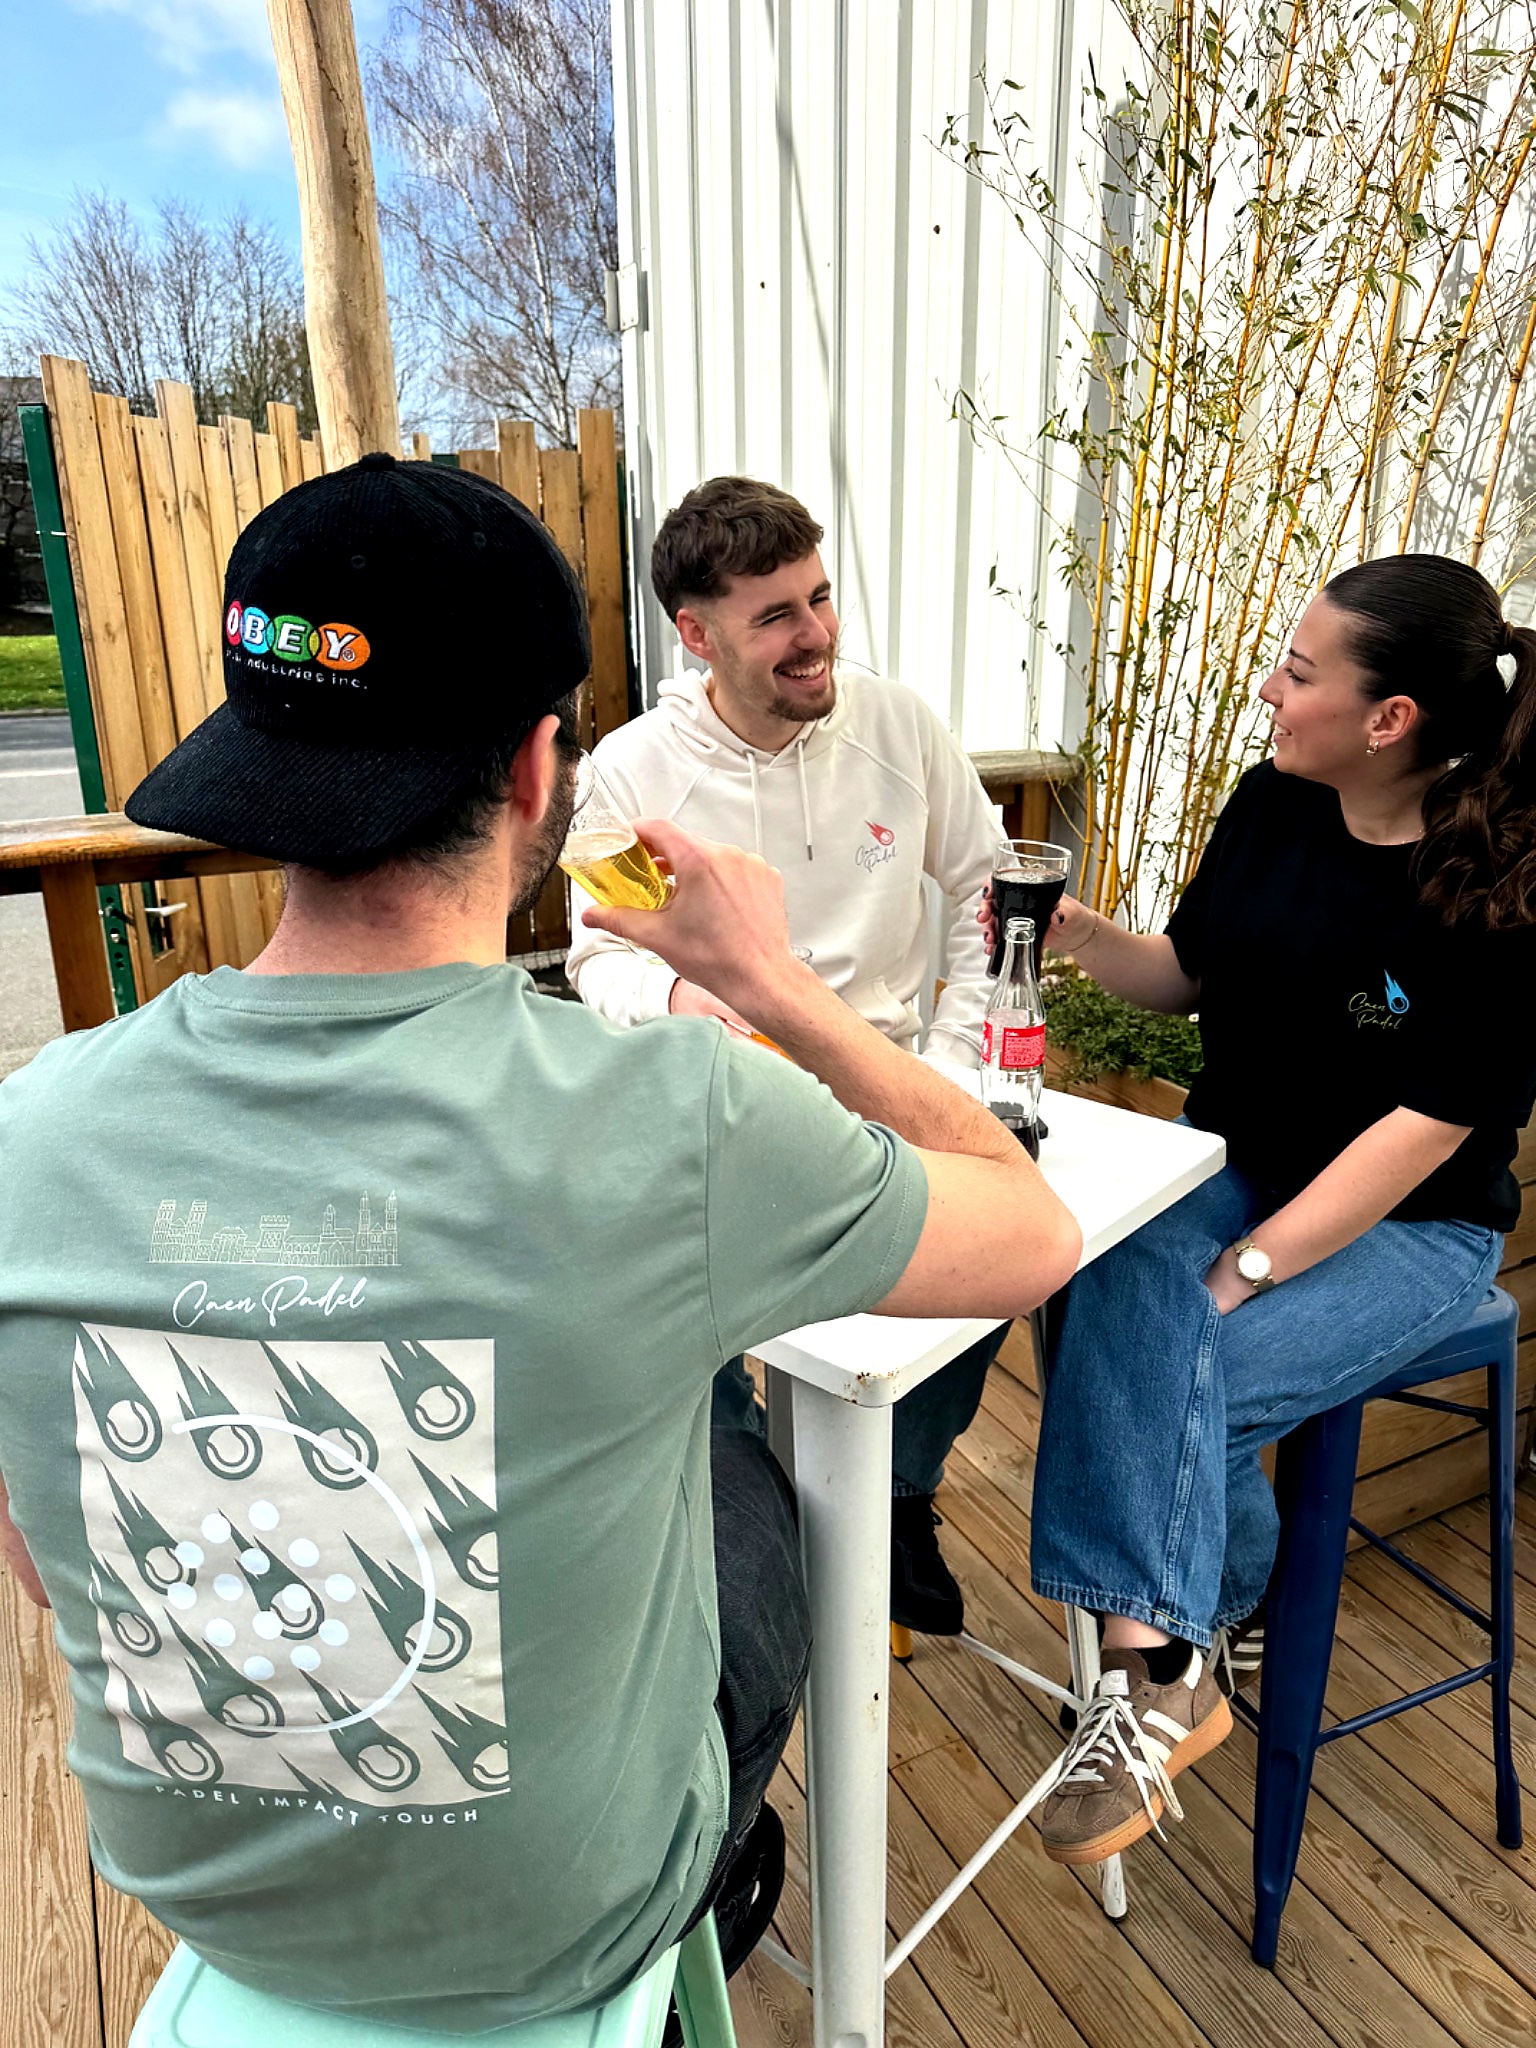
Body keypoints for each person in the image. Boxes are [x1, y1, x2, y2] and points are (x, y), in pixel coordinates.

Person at [0, 453, 1080, 2031]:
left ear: (258, 753)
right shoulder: (667, 1118)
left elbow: (44, 1571)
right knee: (726, 1451)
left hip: (198, 1895)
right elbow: (1034, 1232)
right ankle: (721, 1865)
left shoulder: (33, 1130)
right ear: (532, 770)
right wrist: (774, 985)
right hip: (572, 1919)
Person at [1012, 554, 1536, 1869]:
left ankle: (1156, 1667)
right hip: (1235, 1159)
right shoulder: (1272, 803)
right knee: (1101, 1273)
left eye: (1298, 674)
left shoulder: (1498, 880)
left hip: (1414, 1222)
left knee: (1168, 1368)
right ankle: (1188, 1640)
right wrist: (1074, 932)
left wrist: (1248, 1266)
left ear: (1389, 719)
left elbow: (1427, 1130)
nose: (1268, 691)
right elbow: (1186, 975)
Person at [566, 474, 1015, 1636]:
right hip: (716, 1104)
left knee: (1003, 1255)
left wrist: (951, 1063)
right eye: (776, 616)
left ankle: (900, 1494)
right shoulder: (629, 772)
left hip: (888, 1088)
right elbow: (597, 955)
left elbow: (991, 892)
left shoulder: (899, 725)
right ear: (697, 634)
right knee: (672, 1313)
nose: (816, 634)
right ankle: (750, 1520)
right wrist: (676, 994)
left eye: (818, 598)